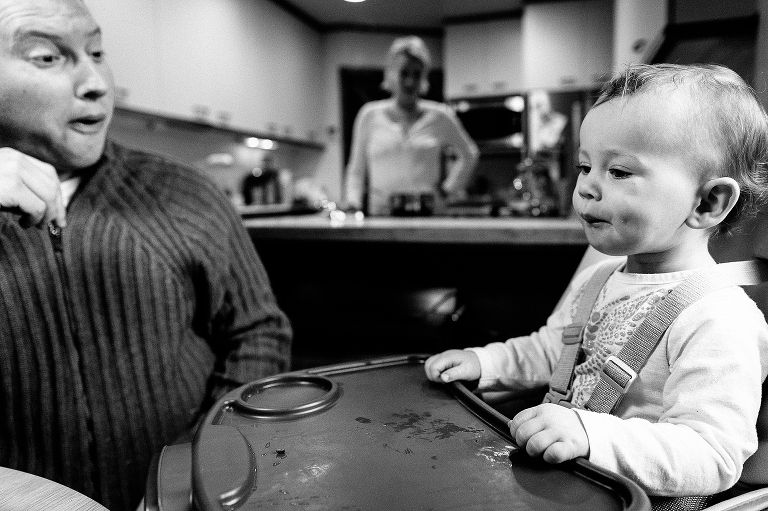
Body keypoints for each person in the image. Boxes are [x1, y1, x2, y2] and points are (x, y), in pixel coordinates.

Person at [425, 63, 768, 500]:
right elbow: (553, 352)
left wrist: (592, 435)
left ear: (707, 202)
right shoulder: (600, 278)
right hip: (564, 489)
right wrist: (486, 363)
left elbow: (712, 456)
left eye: (619, 172)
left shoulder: (721, 318)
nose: (586, 187)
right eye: (586, 166)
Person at [0, 1, 292, 510]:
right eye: (47, 57)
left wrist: (195, 471)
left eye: (97, 51)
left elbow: (258, 335)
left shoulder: (184, 192)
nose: (96, 82)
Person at [344, 36, 479, 216]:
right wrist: (353, 203)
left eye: (417, 74)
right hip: (381, 216)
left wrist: (447, 189)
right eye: (404, 73)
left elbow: (469, 154)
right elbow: (356, 170)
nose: (410, 81)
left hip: (429, 215)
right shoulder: (369, 115)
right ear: (390, 74)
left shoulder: (440, 116)